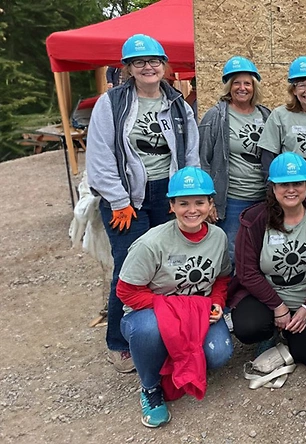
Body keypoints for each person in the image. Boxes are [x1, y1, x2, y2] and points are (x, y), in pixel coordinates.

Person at [86, 34, 199, 373]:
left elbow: (190, 152)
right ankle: (119, 343)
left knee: (167, 266)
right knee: (129, 268)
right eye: (139, 62)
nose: (148, 67)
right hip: (127, 197)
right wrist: (119, 199)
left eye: (154, 61)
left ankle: (160, 334)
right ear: (129, 68)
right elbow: (100, 155)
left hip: (168, 194)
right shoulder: (112, 104)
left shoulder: (177, 104)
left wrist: (186, 196)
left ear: (164, 65)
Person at [115, 167, 233, 428]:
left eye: (199, 202)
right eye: (183, 203)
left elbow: (223, 278)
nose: (192, 210)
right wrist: (174, 310)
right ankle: (150, 387)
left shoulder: (218, 237)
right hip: (151, 316)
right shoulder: (151, 243)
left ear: (210, 204)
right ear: (171, 206)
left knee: (219, 353)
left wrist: (217, 302)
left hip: (199, 313)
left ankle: (176, 359)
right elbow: (125, 291)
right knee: (148, 330)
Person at [227, 153, 306, 366]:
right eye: (284, 184)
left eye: (298, 183)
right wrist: (278, 306)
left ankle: (287, 335)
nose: (291, 189)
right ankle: (269, 333)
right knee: (250, 327)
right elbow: (247, 272)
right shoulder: (254, 220)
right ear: (273, 187)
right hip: (264, 297)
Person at [199, 56, 272, 263]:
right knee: (232, 254)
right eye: (236, 83)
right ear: (228, 87)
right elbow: (203, 159)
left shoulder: (265, 115)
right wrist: (209, 199)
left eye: (247, 83)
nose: (242, 88)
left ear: (254, 86)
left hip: (263, 199)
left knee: (260, 252)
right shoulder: (216, 116)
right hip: (232, 200)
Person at [259, 56, 306, 207]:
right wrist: (272, 190)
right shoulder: (280, 115)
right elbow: (268, 157)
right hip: (290, 194)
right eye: (302, 85)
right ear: (293, 90)